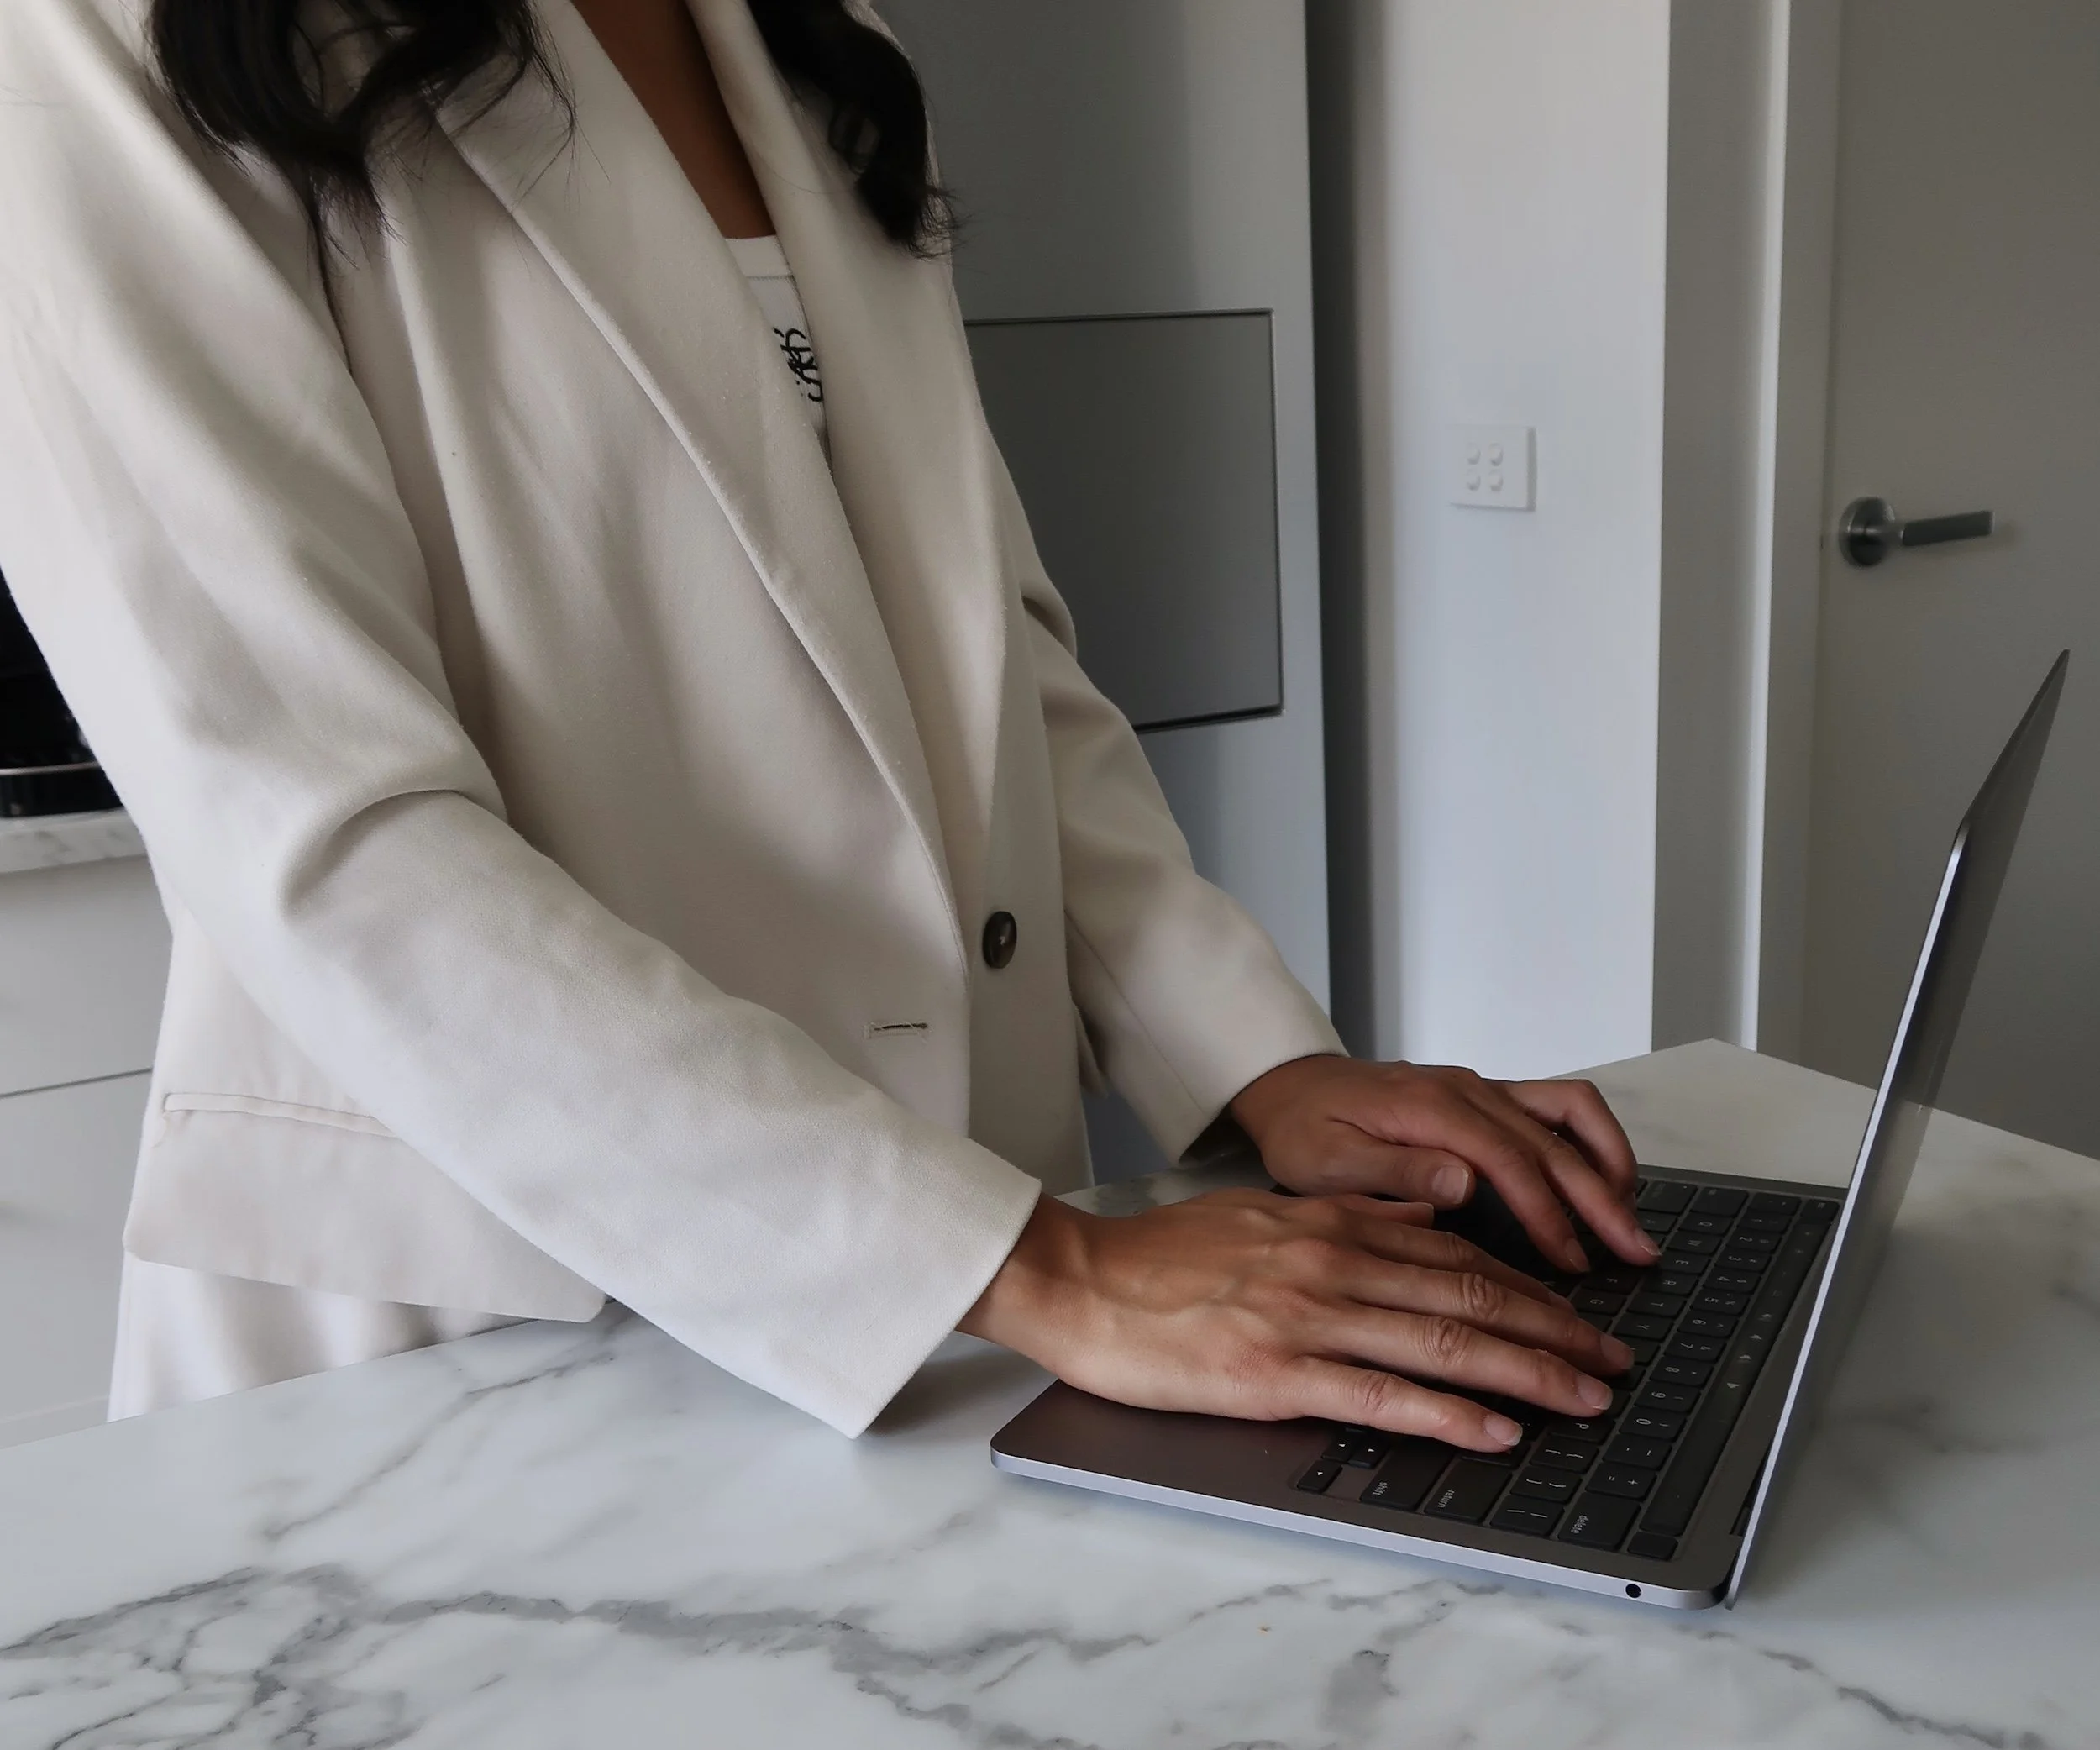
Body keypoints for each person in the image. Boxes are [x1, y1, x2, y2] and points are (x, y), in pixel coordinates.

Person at [0, 0, 1657, 1451]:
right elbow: (322, 834)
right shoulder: (105, 40)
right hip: (496, 1347)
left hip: (970, 1298)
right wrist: (1035, 1268)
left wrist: (1252, 1061)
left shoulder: (812, 49)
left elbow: (991, 657)